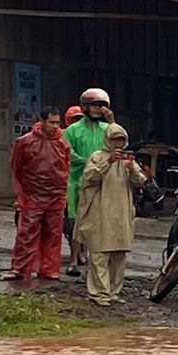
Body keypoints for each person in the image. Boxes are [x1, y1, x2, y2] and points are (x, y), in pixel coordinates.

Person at [74, 124, 144, 306]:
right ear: (108, 140)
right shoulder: (97, 157)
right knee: (99, 255)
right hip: (100, 213)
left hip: (121, 214)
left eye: (121, 140)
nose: (118, 143)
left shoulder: (127, 161)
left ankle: (113, 291)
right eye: (114, 139)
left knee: (119, 255)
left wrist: (131, 168)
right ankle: (98, 293)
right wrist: (109, 162)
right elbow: (89, 177)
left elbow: (141, 182)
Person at [6, 106, 72, 282]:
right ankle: (19, 268)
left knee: (53, 234)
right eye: (51, 122)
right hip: (32, 195)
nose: (55, 126)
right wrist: (23, 191)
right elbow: (16, 167)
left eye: (57, 123)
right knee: (26, 233)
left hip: (56, 196)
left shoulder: (63, 143)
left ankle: (49, 269)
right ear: (41, 122)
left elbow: (67, 167)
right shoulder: (25, 142)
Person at [64, 88, 113, 277]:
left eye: (102, 105)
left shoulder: (107, 129)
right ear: (85, 106)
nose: (98, 109)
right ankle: (73, 260)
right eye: (94, 105)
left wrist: (112, 122)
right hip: (78, 182)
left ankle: (97, 261)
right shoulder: (72, 130)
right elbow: (68, 154)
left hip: (103, 183)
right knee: (77, 222)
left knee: (100, 223)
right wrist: (92, 162)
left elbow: (121, 144)